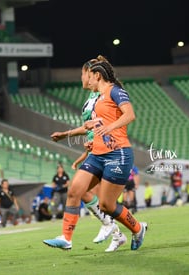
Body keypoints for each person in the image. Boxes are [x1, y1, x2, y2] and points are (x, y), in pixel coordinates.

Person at [44, 59, 147, 251]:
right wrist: (67, 134)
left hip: (118, 154)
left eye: (89, 75)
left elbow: (130, 115)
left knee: (107, 205)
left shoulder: (115, 91)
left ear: (97, 75)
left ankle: (138, 228)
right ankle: (66, 238)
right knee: (75, 189)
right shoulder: (98, 98)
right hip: (98, 154)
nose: (87, 80)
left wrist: (108, 127)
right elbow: (93, 125)